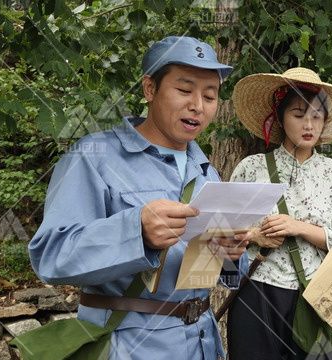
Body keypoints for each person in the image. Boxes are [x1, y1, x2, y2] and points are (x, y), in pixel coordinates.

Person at [28, 36, 248, 359]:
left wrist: (229, 254)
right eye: (185, 90)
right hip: (129, 346)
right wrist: (137, 231)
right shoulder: (95, 157)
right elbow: (50, 254)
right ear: (149, 89)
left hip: (203, 344)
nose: (198, 106)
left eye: (210, 95)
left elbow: (218, 270)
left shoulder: (207, 172)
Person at [226, 67, 332, 359]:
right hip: (257, 290)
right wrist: (254, 236)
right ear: (280, 117)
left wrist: (297, 227)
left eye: (317, 116)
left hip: (317, 294)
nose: (309, 124)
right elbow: (218, 234)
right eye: (298, 114)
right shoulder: (251, 168)